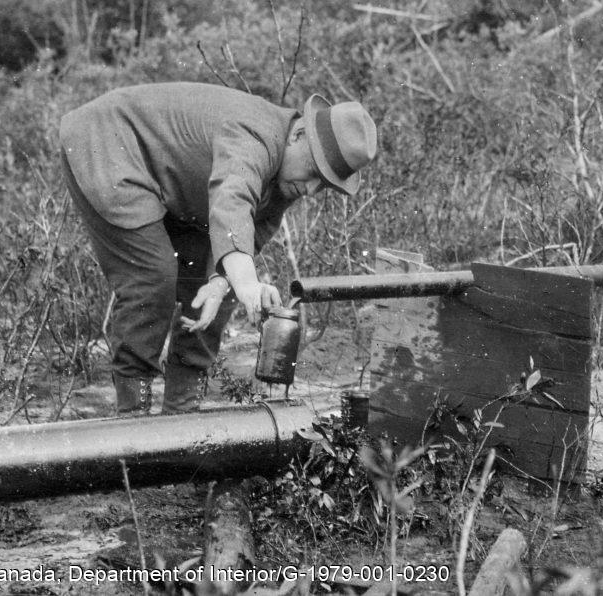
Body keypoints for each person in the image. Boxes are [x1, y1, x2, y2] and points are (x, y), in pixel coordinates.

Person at [58, 83, 378, 416]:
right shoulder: (255, 135)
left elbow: (246, 237)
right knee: (152, 277)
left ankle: (182, 413)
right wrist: (246, 283)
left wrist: (222, 282)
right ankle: (132, 417)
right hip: (107, 144)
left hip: (165, 182)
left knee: (220, 284)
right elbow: (232, 201)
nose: (311, 190)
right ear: (297, 135)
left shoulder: (287, 177)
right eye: (314, 171)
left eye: (323, 184)